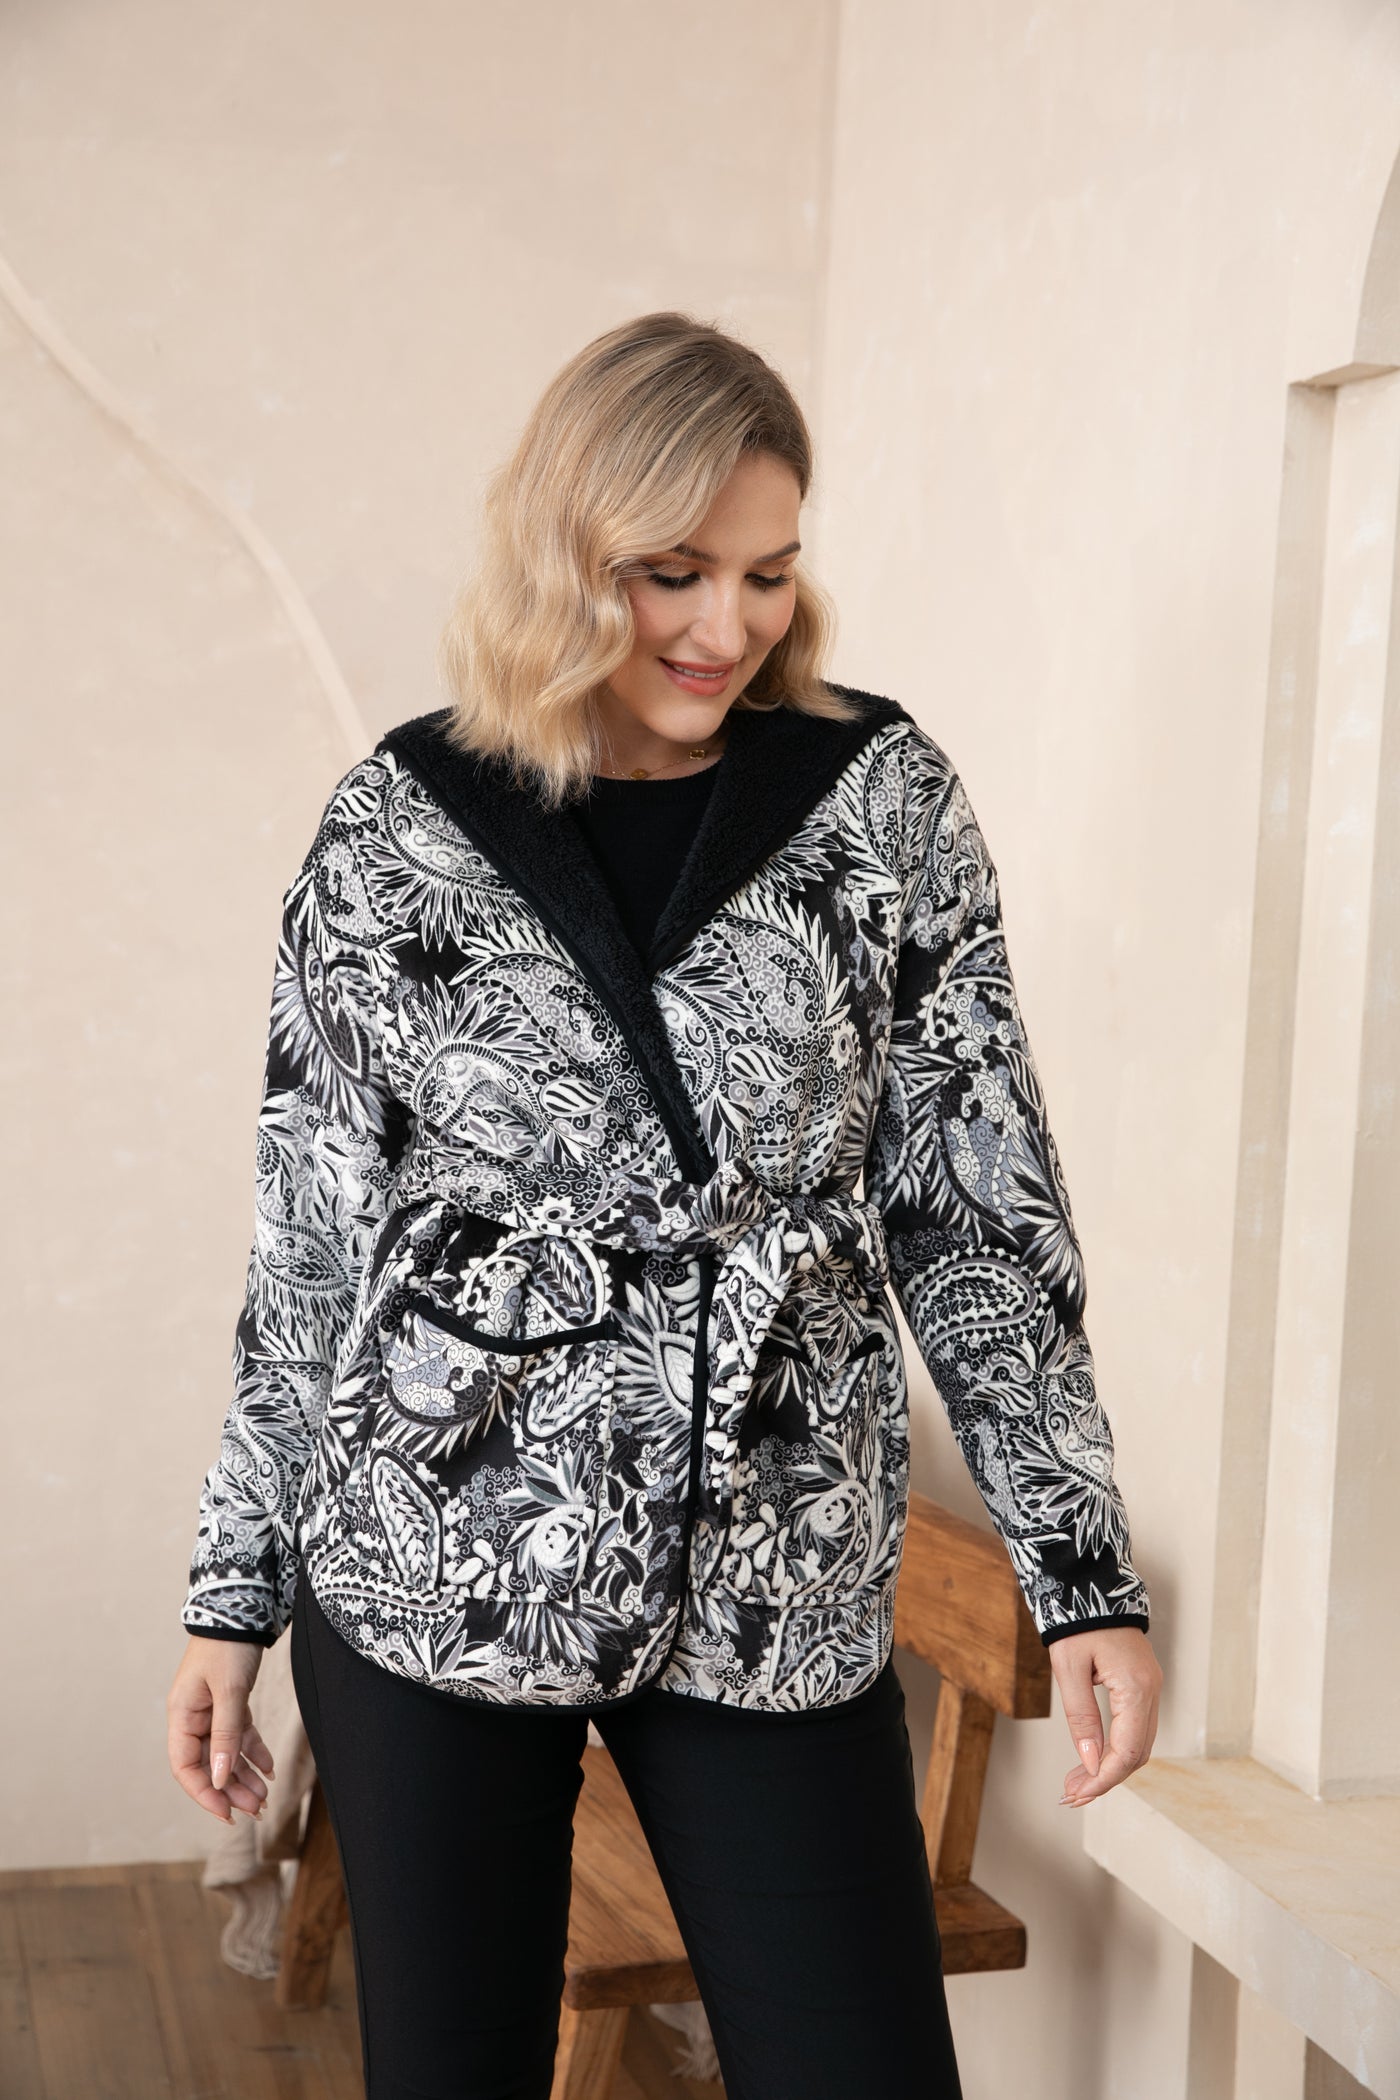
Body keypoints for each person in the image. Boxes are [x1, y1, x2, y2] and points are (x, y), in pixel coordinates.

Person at [167, 311, 1163, 2100]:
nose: (729, 628)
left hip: (778, 1567)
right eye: (673, 573)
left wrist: (1077, 1566)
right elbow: (310, 1241)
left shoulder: (881, 802)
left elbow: (976, 1206)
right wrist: (231, 1597)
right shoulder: (396, 826)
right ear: (565, 555)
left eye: (770, 574)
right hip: (435, 1555)